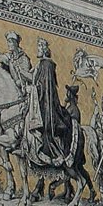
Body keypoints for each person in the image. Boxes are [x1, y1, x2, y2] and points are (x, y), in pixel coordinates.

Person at [21, 37, 73, 167]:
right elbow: (34, 78)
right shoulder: (40, 64)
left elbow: (44, 87)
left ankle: (54, 155)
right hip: (39, 100)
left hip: (46, 104)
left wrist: (31, 89)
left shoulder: (47, 65)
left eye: (39, 47)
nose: (37, 50)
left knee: (44, 128)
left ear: (44, 49)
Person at [0, 31, 32, 96]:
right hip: (11, 87)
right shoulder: (10, 56)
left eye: (10, 42)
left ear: (15, 43)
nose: (8, 44)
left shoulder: (24, 59)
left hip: (22, 90)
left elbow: (25, 77)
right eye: (8, 42)